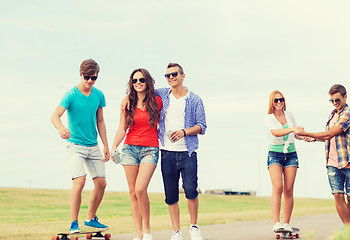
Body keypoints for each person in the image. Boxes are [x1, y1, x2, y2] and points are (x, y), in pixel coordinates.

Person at [51, 59, 110, 233]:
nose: (90, 80)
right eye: (87, 77)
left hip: (93, 146)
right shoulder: (70, 95)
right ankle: (73, 223)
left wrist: (106, 145)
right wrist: (61, 128)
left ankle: (90, 218)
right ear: (80, 74)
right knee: (80, 181)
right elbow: (55, 116)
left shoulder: (99, 95)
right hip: (75, 145)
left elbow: (100, 121)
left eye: (94, 77)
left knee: (101, 183)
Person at [157, 63, 207, 240]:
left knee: (190, 189)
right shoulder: (162, 94)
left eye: (174, 74)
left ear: (183, 75)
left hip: (188, 152)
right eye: (168, 75)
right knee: (170, 195)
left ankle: (194, 227)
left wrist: (184, 132)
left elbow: (202, 126)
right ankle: (176, 232)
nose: (171, 77)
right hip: (166, 153)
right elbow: (143, 92)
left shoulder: (194, 100)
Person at [111, 68, 162, 240]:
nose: (138, 83)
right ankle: (139, 234)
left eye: (141, 80)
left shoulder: (157, 101)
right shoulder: (127, 103)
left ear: (147, 81)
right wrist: (113, 146)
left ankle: (147, 230)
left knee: (141, 189)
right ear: (131, 84)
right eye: (135, 80)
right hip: (129, 149)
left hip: (150, 149)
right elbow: (122, 128)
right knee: (133, 193)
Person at [295, 84, 350, 229]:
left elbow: (330, 133)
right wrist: (313, 139)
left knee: (349, 198)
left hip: (347, 161)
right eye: (331, 100)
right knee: (337, 195)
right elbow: (329, 138)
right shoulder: (332, 114)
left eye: (337, 100)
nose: (334, 103)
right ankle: (348, 228)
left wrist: (306, 133)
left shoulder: (348, 113)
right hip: (332, 161)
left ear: (345, 97)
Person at [264, 90, 305, 232]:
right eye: (276, 100)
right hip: (275, 154)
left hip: (291, 154)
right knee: (278, 187)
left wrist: (305, 136)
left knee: (288, 190)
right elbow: (275, 132)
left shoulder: (290, 115)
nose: (279, 102)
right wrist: (293, 128)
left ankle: (286, 223)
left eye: (281, 99)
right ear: (272, 103)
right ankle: (276, 223)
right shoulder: (269, 118)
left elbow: (296, 134)